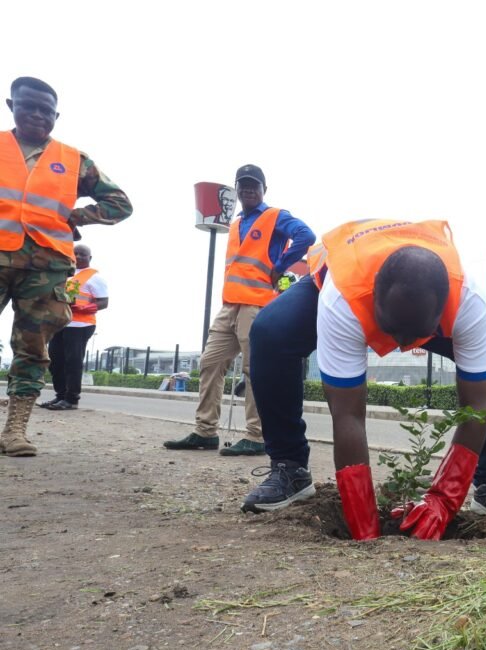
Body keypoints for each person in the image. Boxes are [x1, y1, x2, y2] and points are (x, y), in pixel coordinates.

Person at [240, 219, 486, 542]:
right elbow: (347, 415)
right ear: (375, 293)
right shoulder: (342, 299)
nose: (400, 344)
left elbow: (478, 406)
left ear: (441, 312)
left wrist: (445, 500)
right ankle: (290, 468)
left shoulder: (469, 302)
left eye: (414, 337)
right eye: (392, 331)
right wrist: (364, 527)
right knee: (270, 332)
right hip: (341, 278)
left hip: (412, 301)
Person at [1, 77, 132, 457]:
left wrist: (77, 216)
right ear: (12, 105)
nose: (38, 115)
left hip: (47, 265)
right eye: (29, 106)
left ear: (56, 115)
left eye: (46, 110)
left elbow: (120, 203)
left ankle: (14, 431)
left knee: (32, 349)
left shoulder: (73, 159)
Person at [164, 165, 314, 456]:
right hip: (230, 306)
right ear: (237, 190)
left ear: (264, 190)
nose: (248, 190)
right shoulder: (235, 224)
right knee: (210, 362)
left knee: (253, 370)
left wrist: (279, 266)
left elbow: (306, 236)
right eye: (243, 185)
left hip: (256, 304)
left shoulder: (275, 216)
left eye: (253, 185)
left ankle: (256, 436)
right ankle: (205, 431)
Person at [40, 244, 108, 410]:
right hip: (60, 323)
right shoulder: (65, 274)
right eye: (75, 253)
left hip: (80, 324)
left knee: (73, 362)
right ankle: (60, 396)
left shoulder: (94, 277)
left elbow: (104, 302)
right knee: (55, 361)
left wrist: (83, 307)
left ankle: (71, 399)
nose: (78, 256)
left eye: (82, 254)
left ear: (89, 258)